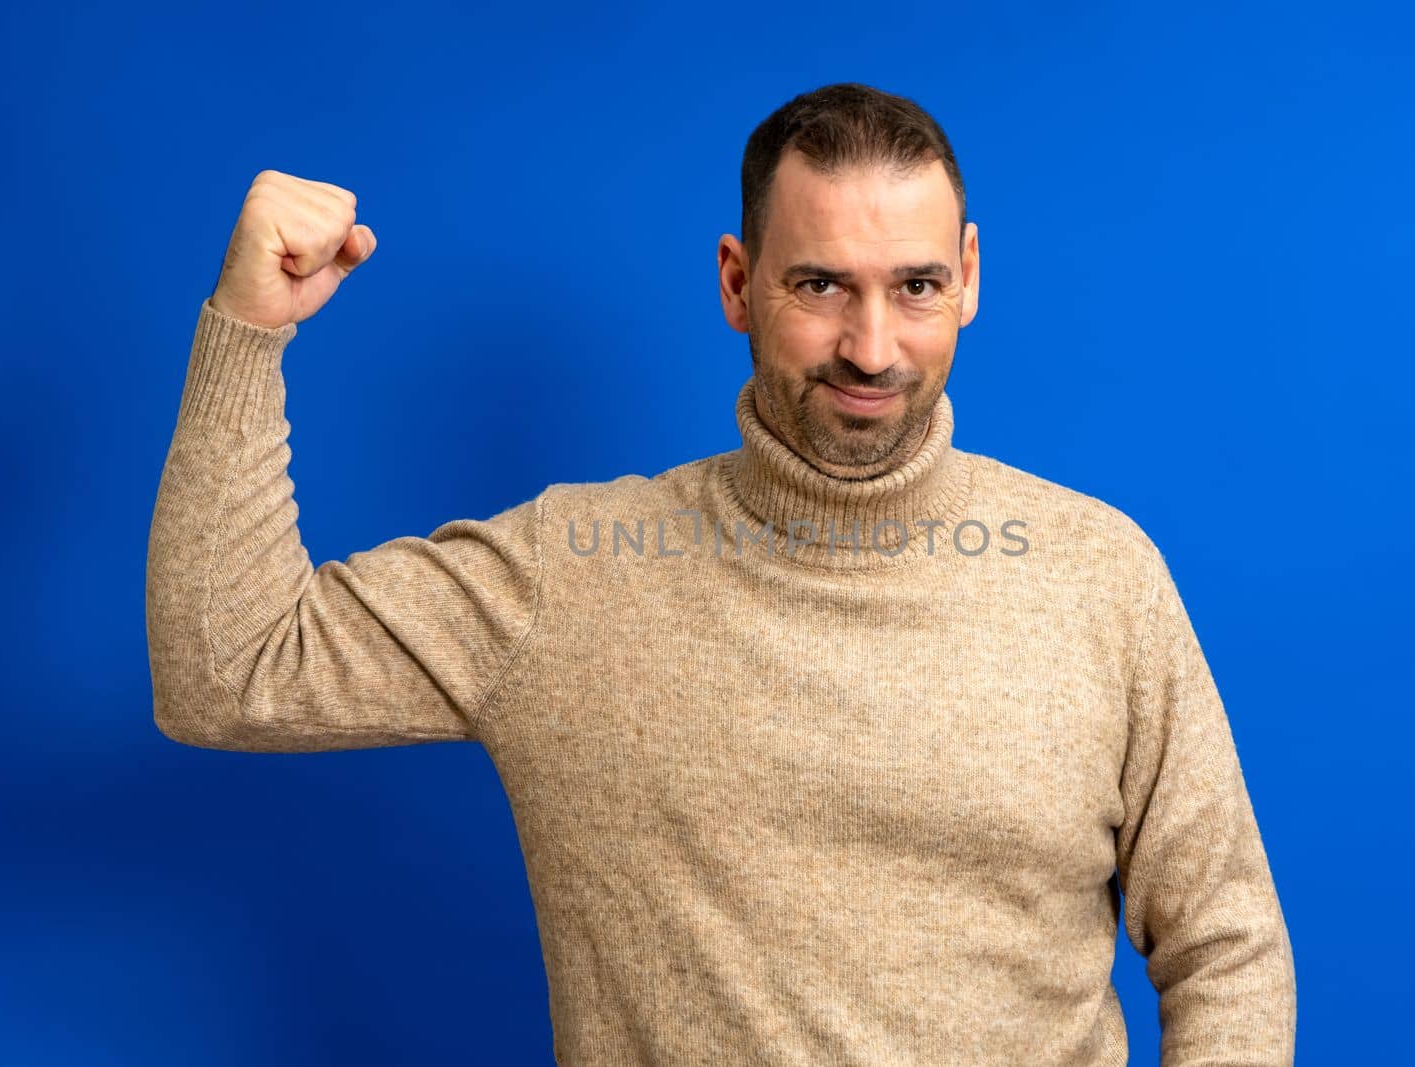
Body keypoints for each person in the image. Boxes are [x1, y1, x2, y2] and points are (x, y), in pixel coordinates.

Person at [147, 82, 1296, 1065]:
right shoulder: (566, 578)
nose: (873, 346)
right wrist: (249, 329)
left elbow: (1224, 939)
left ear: (970, 275)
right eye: (820, 286)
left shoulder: (1096, 571)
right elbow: (227, 669)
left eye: (915, 285)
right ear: (738, 284)